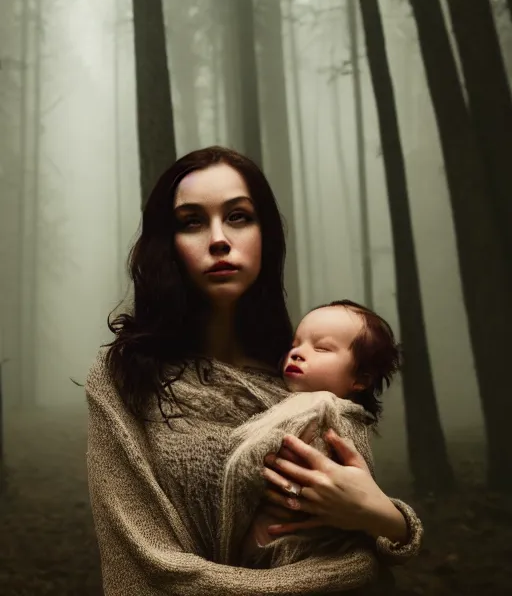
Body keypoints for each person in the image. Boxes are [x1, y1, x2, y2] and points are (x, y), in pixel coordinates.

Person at [86, 146, 422, 596]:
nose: (219, 238)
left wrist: (388, 518)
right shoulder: (123, 382)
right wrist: (348, 572)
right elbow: (150, 565)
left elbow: (349, 527)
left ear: (266, 234)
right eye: (192, 222)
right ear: (168, 245)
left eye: (239, 216)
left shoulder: (303, 375)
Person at [223, 299, 414, 573]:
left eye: (322, 347)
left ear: (359, 379)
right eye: (295, 345)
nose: (298, 353)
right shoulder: (292, 403)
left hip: (301, 560)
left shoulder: (331, 413)